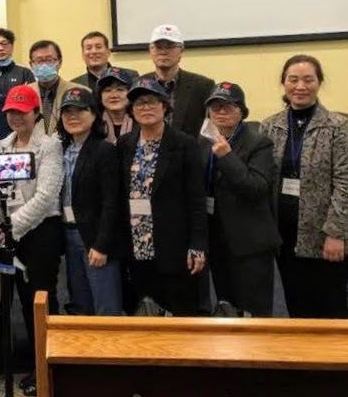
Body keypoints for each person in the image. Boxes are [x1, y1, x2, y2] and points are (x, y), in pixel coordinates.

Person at [260, 55, 348, 318]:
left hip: (323, 238)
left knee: (331, 308)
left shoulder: (338, 126)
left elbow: (345, 182)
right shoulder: (269, 126)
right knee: (294, 306)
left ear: (319, 83)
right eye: (293, 79)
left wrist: (336, 233)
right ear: (284, 83)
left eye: (308, 79)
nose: (300, 86)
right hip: (282, 235)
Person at [0, 85, 64, 396]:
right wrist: (3, 227)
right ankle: (36, 363)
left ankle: (51, 366)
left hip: (40, 232)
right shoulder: (2, 145)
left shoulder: (49, 146)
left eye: (22, 111)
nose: (16, 117)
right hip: (10, 233)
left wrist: (14, 226)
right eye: (11, 111)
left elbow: (46, 195)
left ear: (36, 113)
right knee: (23, 301)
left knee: (42, 301)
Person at [118, 78, 208, 316]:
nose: (145, 108)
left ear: (165, 106)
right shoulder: (125, 144)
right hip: (137, 243)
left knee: (180, 313)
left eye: (152, 102)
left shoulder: (184, 144)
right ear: (131, 110)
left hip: (174, 246)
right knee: (145, 313)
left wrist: (198, 245)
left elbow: (196, 200)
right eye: (139, 103)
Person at [199, 82, 281, 317]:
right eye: (215, 107)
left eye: (229, 106)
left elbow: (256, 188)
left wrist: (227, 156)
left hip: (249, 244)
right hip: (217, 240)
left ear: (242, 112)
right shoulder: (203, 141)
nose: (221, 112)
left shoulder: (259, 143)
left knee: (255, 313)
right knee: (226, 307)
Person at [57, 88, 124, 317]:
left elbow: (111, 203)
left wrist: (102, 245)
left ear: (94, 114)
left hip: (95, 239)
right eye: (67, 111)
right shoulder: (62, 150)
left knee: (106, 307)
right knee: (79, 304)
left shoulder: (104, 150)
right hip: (68, 233)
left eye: (80, 110)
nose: (72, 116)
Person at [143, 24, 214, 137]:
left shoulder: (203, 86)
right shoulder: (138, 85)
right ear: (150, 50)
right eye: (158, 47)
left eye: (170, 47)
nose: (163, 52)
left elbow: (211, 129)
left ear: (181, 50)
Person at [26, 40, 88, 135]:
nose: (44, 66)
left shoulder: (79, 92)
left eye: (49, 60)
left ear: (59, 62)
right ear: (31, 64)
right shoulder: (24, 93)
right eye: (39, 61)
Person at [70, 31, 138, 92]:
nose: (94, 51)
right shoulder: (74, 84)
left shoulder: (130, 76)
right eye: (89, 48)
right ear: (82, 55)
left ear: (108, 52)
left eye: (98, 47)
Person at [96, 67, 138, 144]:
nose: (114, 95)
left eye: (120, 89)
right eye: (108, 90)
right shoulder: (92, 125)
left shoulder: (141, 123)